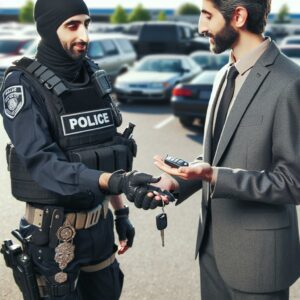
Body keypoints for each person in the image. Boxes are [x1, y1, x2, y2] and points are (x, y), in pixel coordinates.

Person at [0, 0, 163, 298]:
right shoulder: (22, 85)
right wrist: (115, 182)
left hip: (99, 228)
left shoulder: (94, 76)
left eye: (86, 24)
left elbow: (107, 149)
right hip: (52, 237)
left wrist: (120, 212)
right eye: (72, 26)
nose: (84, 36)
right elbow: (44, 164)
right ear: (49, 29)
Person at [138, 0, 300, 299]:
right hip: (211, 253)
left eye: (207, 16)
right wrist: (174, 182)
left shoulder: (290, 82)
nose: (200, 27)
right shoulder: (222, 76)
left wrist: (215, 176)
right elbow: (217, 157)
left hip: (259, 265)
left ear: (238, 16)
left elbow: (293, 183)